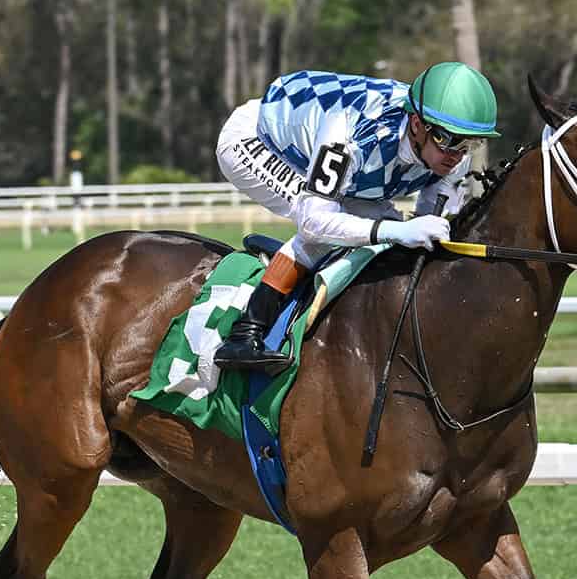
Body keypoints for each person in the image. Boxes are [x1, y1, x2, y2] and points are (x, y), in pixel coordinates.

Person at [213, 61, 500, 373]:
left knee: (386, 227)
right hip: (256, 140)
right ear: (417, 124)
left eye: (470, 142)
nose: (457, 155)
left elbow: (430, 226)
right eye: (449, 140)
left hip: (324, 150)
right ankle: (244, 335)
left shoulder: (449, 153)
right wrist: (394, 231)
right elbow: (315, 223)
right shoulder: (350, 135)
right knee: (321, 233)